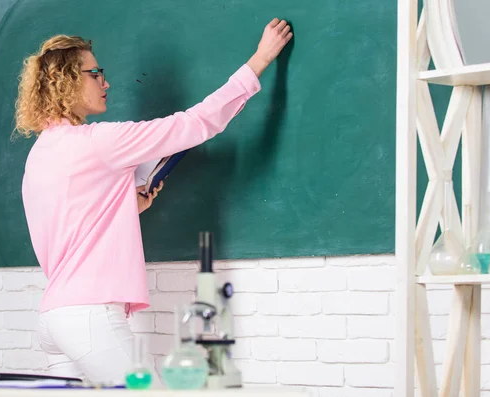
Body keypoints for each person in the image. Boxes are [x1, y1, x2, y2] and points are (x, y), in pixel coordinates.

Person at [15, 18, 293, 386]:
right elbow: (195, 123)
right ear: (66, 79)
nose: (105, 82)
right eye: (95, 73)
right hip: (89, 316)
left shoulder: (40, 153)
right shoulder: (99, 142)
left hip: (54, 316)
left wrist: (130, 205)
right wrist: (259, 60)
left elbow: (75, 220)